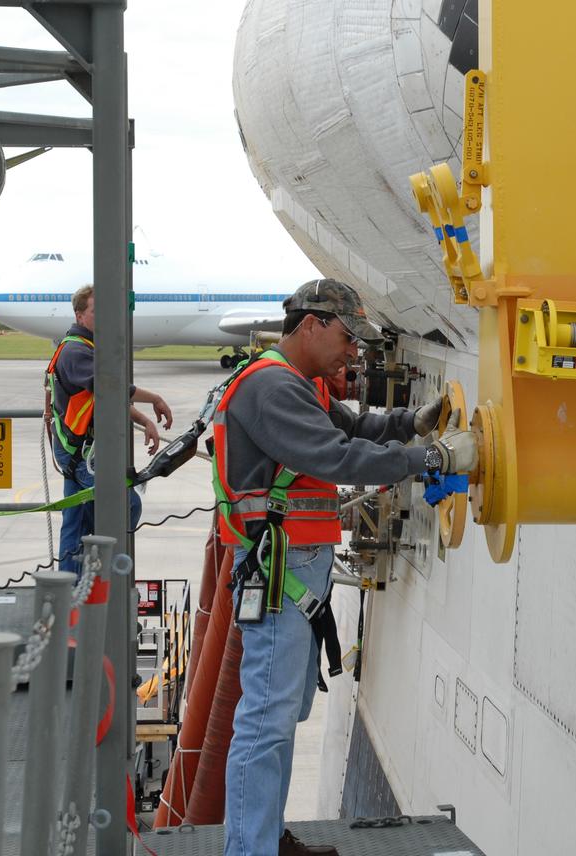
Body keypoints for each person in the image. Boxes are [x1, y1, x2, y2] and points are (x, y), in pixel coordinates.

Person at [215, 278, 475, 856]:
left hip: (294, 568)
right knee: (266, 719)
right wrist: (427, 459)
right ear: (311, 325)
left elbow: (353, 428)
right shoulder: (271, 389)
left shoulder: (297, 382)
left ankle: (264, 838)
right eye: (346, 336)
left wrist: (412, 423)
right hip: (279, 569)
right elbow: (334, 456)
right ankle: (249, 849)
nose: (353, 351)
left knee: (280, 715)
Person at [45, 284, 174, 575]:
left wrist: (143, 420)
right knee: (124, 507)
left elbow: (100, 399)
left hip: (76, 452)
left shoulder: (83, 348)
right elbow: (110, 388)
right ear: (80, 315)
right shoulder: (76, 352)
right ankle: (101, 583)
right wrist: (153, 399)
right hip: (81, 455)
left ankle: (72, 593)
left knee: (75, 523)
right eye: (95, 311)